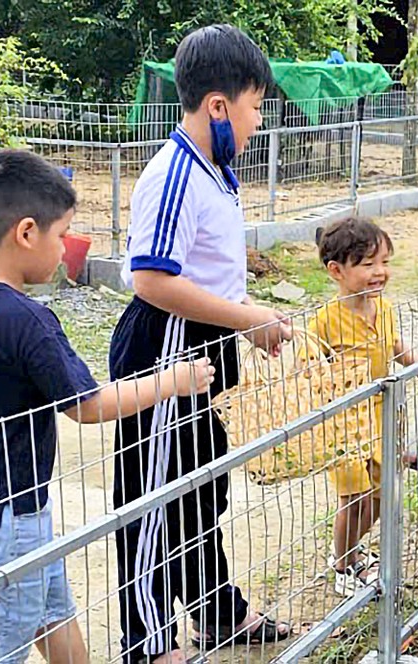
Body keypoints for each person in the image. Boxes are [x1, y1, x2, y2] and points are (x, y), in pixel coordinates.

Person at [0, 149, 216, 664]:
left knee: (48, 607)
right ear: (25, 233)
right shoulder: (28, 321)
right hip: (8, 513)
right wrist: (170, 381)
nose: (65, 251)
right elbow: (88, 406)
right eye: (62, 235)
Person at [108, 24, 292, 663]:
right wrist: (245, 318)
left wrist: (242, 321)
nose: (257, 123)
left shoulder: (215, 170)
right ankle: (147, 642)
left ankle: (217, 611)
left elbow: (207, 268)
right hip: (168, 345)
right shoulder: (175, 174)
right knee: (152, 498)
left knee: (203, 486)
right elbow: (152, 278)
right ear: (218, 106)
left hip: (207, 342)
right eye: (255, 107)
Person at [307, 217, 418, 596]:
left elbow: (394, 345)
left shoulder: (385, 308)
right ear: (336, 270)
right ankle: (343, 564)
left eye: (385, 262)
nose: (380, 272)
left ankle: (352, 551)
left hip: (383, 416)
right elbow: (311, 370)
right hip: (346, 424)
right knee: (354, 496)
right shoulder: (325, 321)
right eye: (367, 264)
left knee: (379, 496)